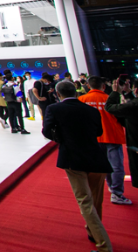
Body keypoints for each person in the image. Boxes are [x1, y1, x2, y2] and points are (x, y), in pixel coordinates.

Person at [42, 81, 113, 252]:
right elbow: (99, 132)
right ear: (76, 92)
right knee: (96, 200)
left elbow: (47, 131)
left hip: (73, 158)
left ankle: (104, 246)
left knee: (85, 201)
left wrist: (63, 139)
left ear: (58, 94)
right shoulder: (91, 110)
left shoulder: (54, 109)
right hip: (96, 157)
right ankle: (92, 232)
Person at [80, 76, 132, 205]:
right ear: (103, 86)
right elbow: (123, 118)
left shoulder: (81, 100)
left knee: (104, 165)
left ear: (88, 86)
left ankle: (111, 186)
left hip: (93, 139)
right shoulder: (111, 99)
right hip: (112, 136)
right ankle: (117, 193)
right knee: (117, 167)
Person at [105, 78, 138, 191]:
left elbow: (109, 107)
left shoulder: (133, 105)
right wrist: (129, 93)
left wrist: (116, 92)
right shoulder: (134, 105)